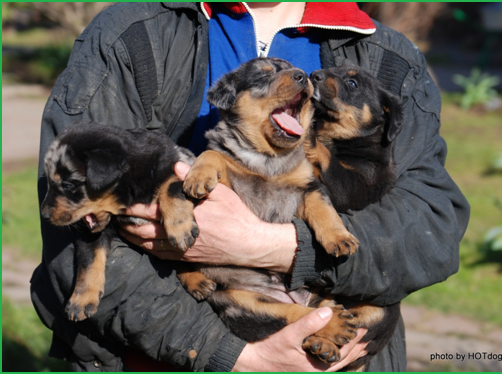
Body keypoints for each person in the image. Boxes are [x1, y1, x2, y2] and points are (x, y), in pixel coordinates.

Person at [31, 2, 470, 372]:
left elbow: (432, 226)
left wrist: (269, 246)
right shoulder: (134, 33)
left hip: (342, 353)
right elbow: (75, 219)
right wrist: (233, 355)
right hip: (160, 354)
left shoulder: (389, 57)